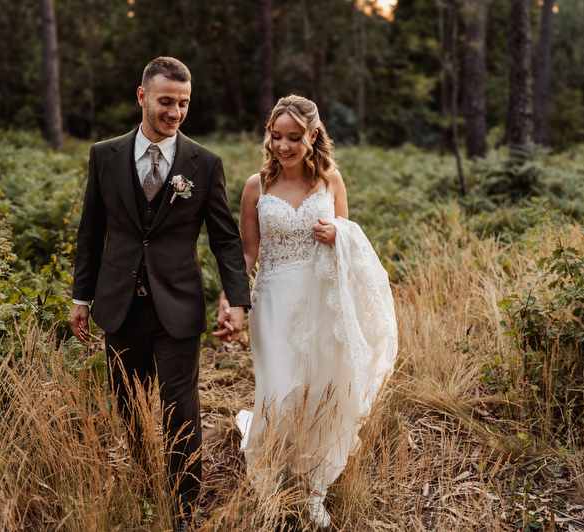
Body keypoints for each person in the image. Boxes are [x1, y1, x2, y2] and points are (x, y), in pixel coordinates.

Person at [69, 56, 251, 532]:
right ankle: (147, 480)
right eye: (166, 101)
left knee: (180, 409)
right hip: (119, 303)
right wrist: (81, 298)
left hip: (178, 306)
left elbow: (225, 240)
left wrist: (237, 301)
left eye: (184, 103)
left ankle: (184, 506)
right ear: (142, 96)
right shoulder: (104, 155)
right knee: (128, 402)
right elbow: (91, 231)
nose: (175, 112)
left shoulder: (204, 163)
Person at [218, 95, 397, 528]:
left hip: (321, 300)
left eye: (294, 137)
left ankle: (315, 487)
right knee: (279, 390)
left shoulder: (331, 180)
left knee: (321, 388)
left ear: (313, 136)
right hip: (273, 302)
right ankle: (269, 479)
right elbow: (247, 252)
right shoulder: (256, 186)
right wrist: (231, 298)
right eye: (276, 136)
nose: (283, 146)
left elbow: (349, 238)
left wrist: (338, 234)